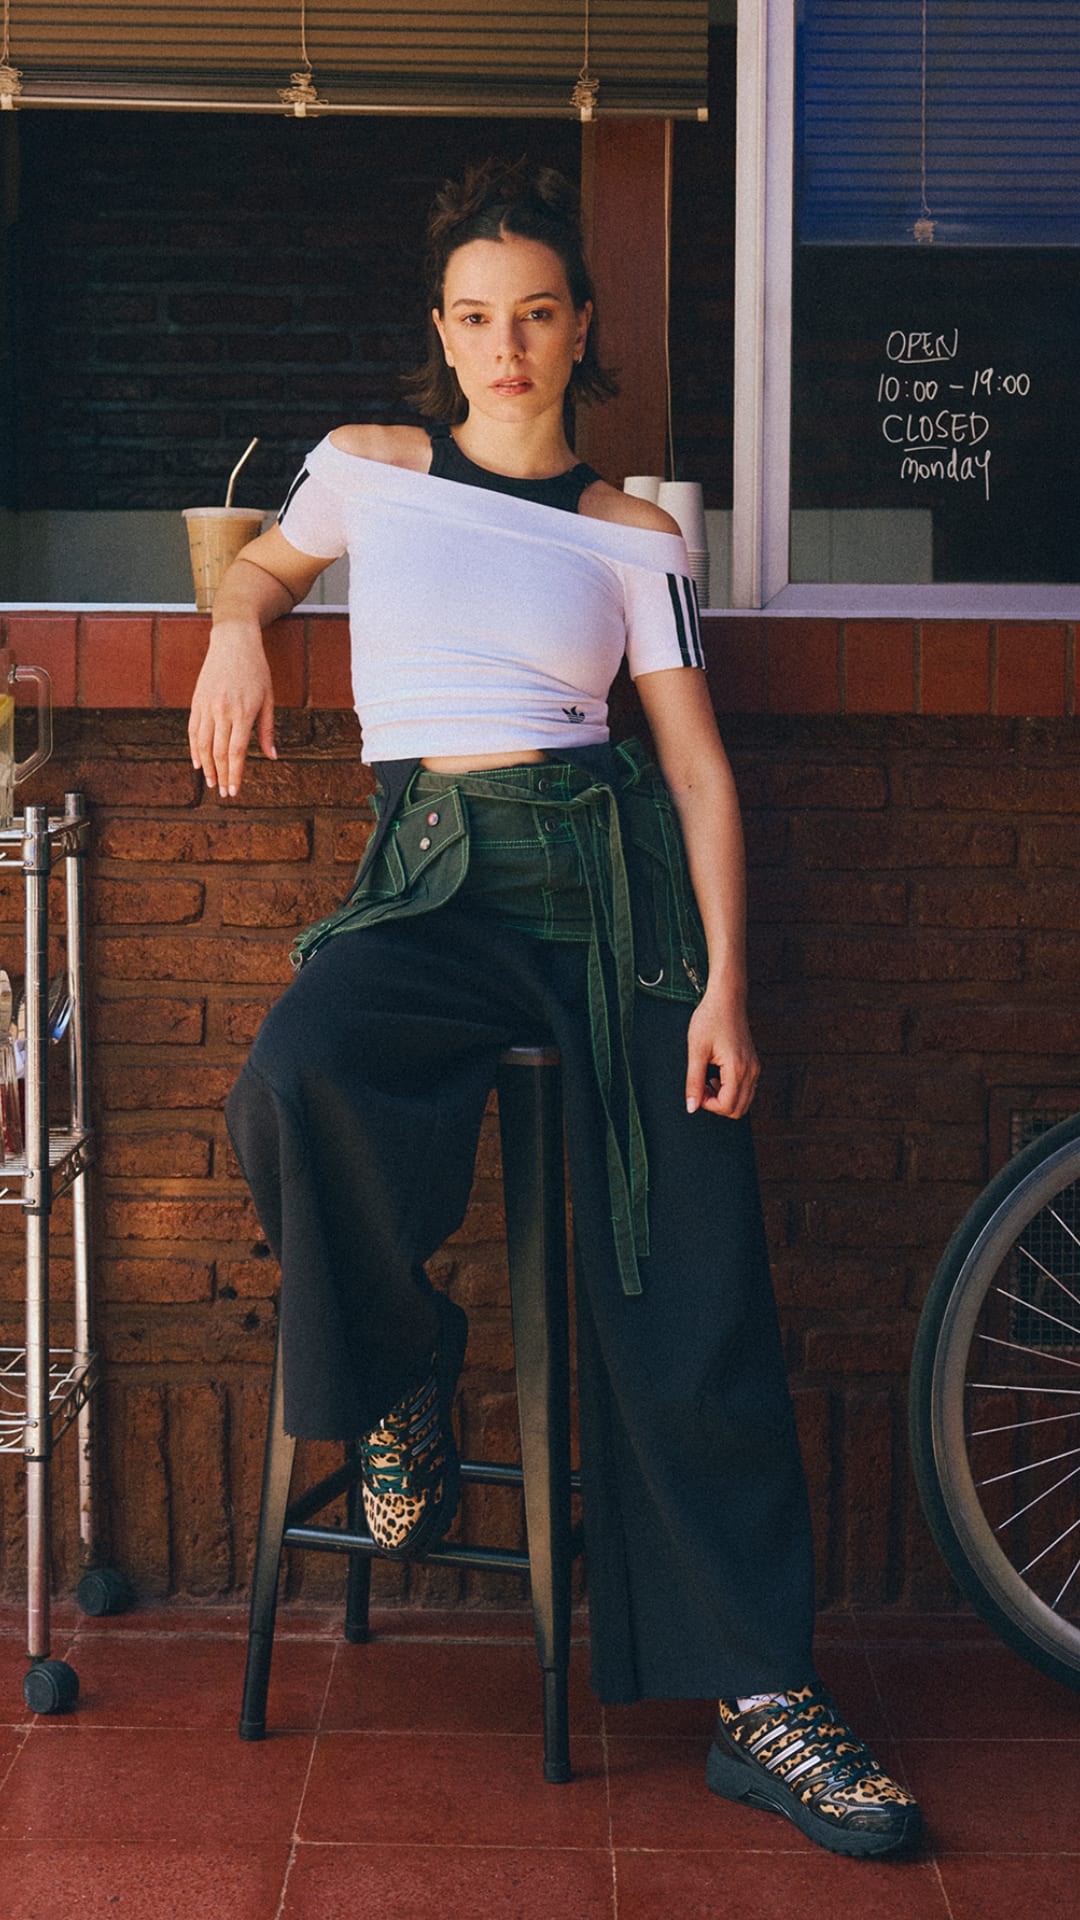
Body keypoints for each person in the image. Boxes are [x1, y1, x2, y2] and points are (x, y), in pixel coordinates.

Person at [188, 159, 921, 1860]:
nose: (504, 345)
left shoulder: (633, 535)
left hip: (610, 894)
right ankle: (404, 1373)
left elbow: (698, 768)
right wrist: (235, 630)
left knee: (693, 1264)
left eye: (534, 314)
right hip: (431, 882)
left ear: (582, 328)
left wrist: (727, 984)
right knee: (295, 1076)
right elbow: (261, 575)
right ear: (440, 334)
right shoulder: (372, 468)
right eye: (475, 317)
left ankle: (762, 1698)